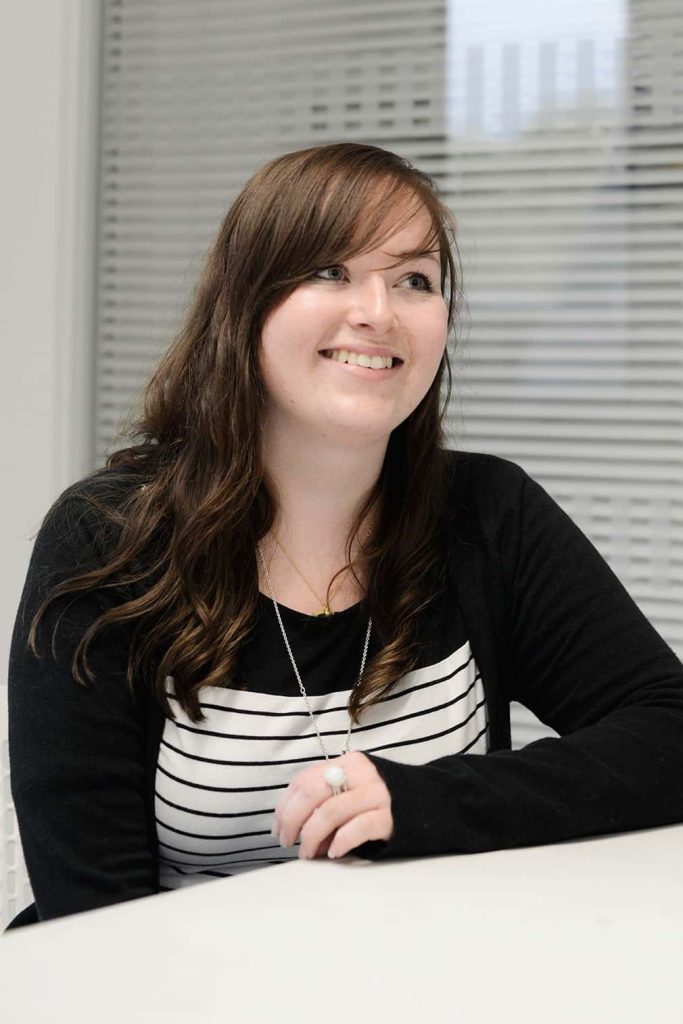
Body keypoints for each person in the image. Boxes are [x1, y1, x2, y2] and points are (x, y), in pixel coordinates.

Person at [7, 142, 683, 930]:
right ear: (245, 303)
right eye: (328, 270)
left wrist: (423, 801)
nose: (378, 311)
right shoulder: (108, 536)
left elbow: (666, 731)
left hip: (427, 978)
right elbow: (89, 910)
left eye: (414, 280)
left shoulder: (486, 511)